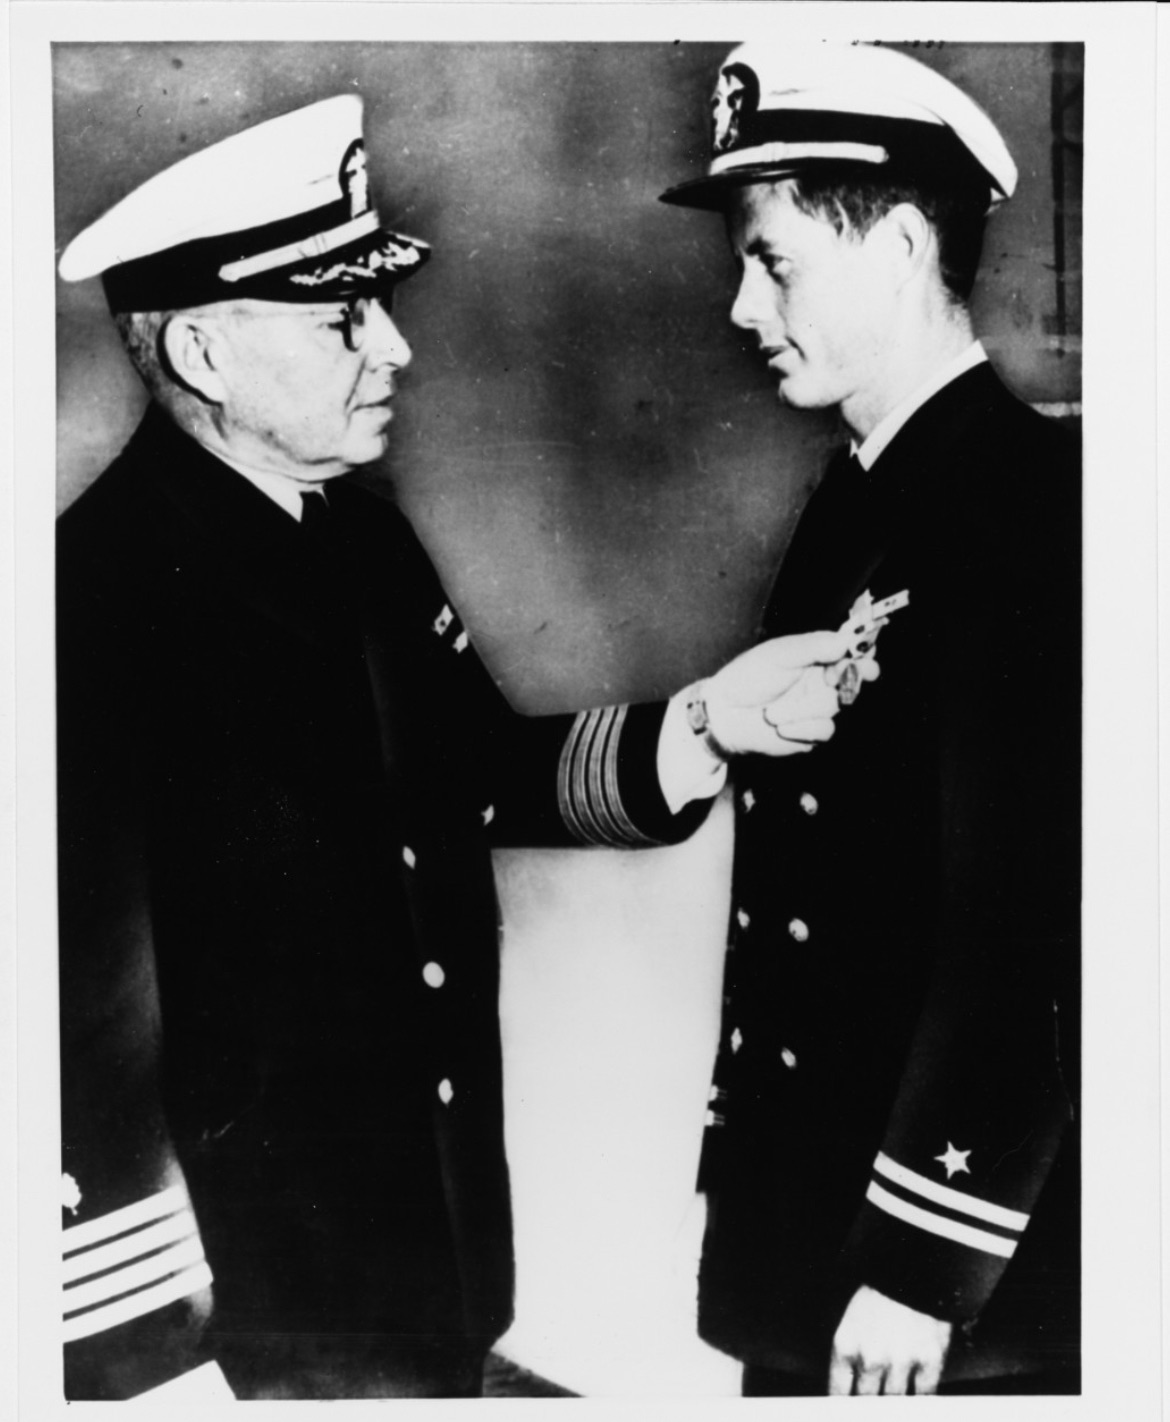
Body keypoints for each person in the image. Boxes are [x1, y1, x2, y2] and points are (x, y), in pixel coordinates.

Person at [55, 94, 865, 1401]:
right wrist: (144, 1361)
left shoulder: (356, 542)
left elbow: (465, 774)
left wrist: (709, 721)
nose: (392, 350)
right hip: (241, 1337)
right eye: (338, 319)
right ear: (202, 351)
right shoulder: (83, 601)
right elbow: (68, 1015)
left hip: (418, 1279)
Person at [659, 42, 1080, 1396]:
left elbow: (1031, 923)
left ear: (899, 245)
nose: (739, 304)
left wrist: (921, 1259)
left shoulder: (1027, 509)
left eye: (770, 259)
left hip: (945, 1256)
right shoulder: (863, 492)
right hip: (818, 1198)